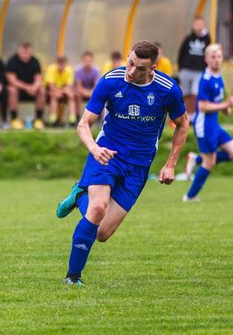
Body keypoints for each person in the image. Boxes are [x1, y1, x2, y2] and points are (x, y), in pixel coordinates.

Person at [56, 40, 189, 286]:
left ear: (153, 68)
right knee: (98, 208)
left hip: (138, 166)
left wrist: (170, 164)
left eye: (139, 68)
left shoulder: (167, 89)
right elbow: (83, 124)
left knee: (102, 232)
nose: (131, 71)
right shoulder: (110, 81)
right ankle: (72, 278)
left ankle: (79, 195)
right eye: (130, 63)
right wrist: (94, 149)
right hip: (106, 154)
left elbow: (182, 124)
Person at [183, 44, 233, 201]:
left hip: (214, 125)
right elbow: (202, 106)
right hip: (204, 125)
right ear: (206, 59)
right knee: (209, 163)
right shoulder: (206, 79)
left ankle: (196, 159)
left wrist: (227, 107)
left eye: (219, 56)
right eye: (213, 57)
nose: (216, 60)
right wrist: (225, 104)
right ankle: (190, 197)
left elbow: (220, 106)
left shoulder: (219, 77)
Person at [177, 17, 211, 122]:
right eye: (196, 24)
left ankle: (193, 116)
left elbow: (209, 52)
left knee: (195, 93)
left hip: (199, 70)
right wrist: (180, 68)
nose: (198, 27)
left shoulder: (207, 39)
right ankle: (186, 115)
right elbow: (181, 53)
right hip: (186, 69)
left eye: (200, 24)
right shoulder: (188, 38)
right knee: (186, 94)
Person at [6, 42, 46, 130]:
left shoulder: (35, 61)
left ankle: (38, 119)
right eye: (23, 52)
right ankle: (14, 119)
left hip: (31, 90)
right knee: (12, 90)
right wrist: (27, 87)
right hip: (19, 89)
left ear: (31, 53)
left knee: (42, 90)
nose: (25, 55)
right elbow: (12, 80)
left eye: (27, 53)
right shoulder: (12, 61)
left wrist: (34, 87)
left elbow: (38, 78)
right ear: (18, 52)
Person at [44, 56, 77, 127]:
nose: (61, 65)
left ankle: (73, 120)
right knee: (54, 95)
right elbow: (51, 87)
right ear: (56, 63)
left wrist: (62, 92)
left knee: (71, 96)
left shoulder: (69, 70)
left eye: (63, 63)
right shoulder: (51, 69)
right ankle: (52, 120)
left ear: (65, 64)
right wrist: (62, 91)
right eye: (59, 63)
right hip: (50, 92)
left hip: (63, 92)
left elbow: (68, 86)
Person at [74, 51, 100, 118]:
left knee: (99, 94)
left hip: (92, 91)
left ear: (92, 61)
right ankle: (77, 115)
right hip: (81, 92)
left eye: (89, 61)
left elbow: (96, 86)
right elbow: (78, 86)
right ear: (83, 60)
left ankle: (96, 115)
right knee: (77, 95)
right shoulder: (78, 70)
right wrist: (86, 92)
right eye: (86, 61)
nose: (87, 63)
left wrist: (91, 92)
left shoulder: (96, 70)